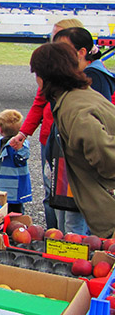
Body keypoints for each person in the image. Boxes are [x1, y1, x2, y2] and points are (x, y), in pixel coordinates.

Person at [30, 42, 115, 238]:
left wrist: (104, 185)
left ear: (44, 77)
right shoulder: (79, 95)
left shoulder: (73, 109)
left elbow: (105, 155)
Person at [9, 19, 83, 231]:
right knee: (51, 193)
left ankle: (67, 242)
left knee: (70, 205)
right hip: (50, 142)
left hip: (70, 150)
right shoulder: (51, 82)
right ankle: (53, 237)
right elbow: (38, 104)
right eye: (53, 37)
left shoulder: (80, 85)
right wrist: (23, 133)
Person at [53, 27, 115, 100]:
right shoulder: (74, 73)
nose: (57, 53)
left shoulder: (93, 77)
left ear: (81, 52)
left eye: (63, 50)